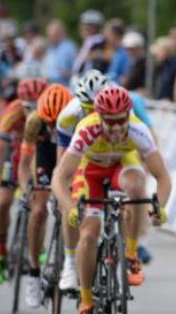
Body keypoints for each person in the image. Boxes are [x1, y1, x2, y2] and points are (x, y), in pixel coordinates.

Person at [51, 86, 171, 314]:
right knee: (89, 233)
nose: (117, 128)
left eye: (121, 121)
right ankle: (86, 303)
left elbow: (162, 177)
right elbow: (60, 178)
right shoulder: (86, 130)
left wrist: (159, 206)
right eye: (110, 122)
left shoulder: (138, 129)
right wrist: (70, 207)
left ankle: (130, 254)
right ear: (100, 117)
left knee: (137, 187)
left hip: (121, 165)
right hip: (90, 170)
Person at [55, 70, 154, 291]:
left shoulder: (124, 106)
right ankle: (70, 264)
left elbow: (147, 147)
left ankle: (130, 249)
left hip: (118, 154)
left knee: (134, 188)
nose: (94, 113)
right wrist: (64, 192)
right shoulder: (69, 116)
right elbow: (62, 161)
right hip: (84, 154)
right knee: (69, 199)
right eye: (88, 108)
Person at [17, 84, 73, 307]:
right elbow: (24, 164)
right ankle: (33, 271)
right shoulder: (34, 123)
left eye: (56, 122)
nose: (52, 127)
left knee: (71, 204)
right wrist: (25, 189)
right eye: (48, 122)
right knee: (38, 210)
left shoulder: (76, 121)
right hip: (45, 156)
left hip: (69, 155)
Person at [0, 77, 48, 285]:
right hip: (15, 158)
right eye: (28, 105)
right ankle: (2, 255)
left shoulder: (50, 111)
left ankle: (38, 245)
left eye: (36, 104)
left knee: (39, 204)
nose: (32, 110)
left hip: (38, 158)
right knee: (3, 202)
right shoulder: (12, 112)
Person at [71, 9, 106, 77]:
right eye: (85, 25)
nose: (85, 28)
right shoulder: (89, 41)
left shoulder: (98, 41)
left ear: (97, 27)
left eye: (90, 25)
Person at [41, 19, 76, 86]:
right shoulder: (49, 48)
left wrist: (69, 73)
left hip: (65, 86)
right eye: (49, 35)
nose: (50, 37)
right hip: (49, 84)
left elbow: (75, 69)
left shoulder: (69, 47)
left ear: (61, 33)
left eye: (54, 34)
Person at [104, 18, 128, 83]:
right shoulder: (117, 52)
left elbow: (124, 78)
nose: (105, 36)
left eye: (107, 33)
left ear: (114, 34)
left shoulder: (125, 53)